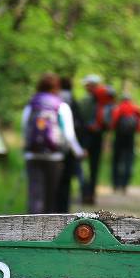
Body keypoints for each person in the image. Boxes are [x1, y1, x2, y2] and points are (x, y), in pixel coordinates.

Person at [22, 73, 85, 214]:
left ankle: (31, 231)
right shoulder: (61, 106)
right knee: (51, 198)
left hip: (33, 155)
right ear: (57, 87)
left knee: (35, 197)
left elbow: (25, 128)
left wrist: (27, 149)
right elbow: (69, 135)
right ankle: (48, 233)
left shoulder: (31, 105)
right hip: (54, 157)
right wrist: (79, 152)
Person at [78, 74, 113, 205]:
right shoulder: (105, 100)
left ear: (91, 85)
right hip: (98, 136)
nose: (85, 87)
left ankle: (84, 194)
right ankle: (91, 195)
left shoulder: (86, 101)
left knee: (81, 166)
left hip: (86, 136)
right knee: (94, 168)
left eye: (87, 84)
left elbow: (81, 118)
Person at [55, 76, 86, 213]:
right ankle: (63, 211)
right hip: (67, 150)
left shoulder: (52, 99)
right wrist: (78, 150)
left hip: (50, 149)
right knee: (66, 182)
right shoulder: (71, 101)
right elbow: (72, 131)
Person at [109, 93, 140, 194]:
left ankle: (115, 185)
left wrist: (109, 137)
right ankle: (125, 185)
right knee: (128, 161)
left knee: (116, 161)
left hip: (119, 137)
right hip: (131, 138)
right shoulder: (136, 109)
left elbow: (113, 124)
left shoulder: (118, 108)